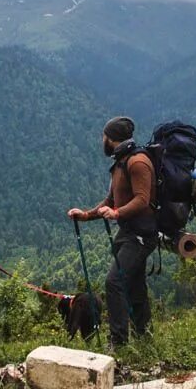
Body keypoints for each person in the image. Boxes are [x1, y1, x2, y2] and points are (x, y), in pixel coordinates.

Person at [67, 116, 155, 348]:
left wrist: (117, 214)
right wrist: (86, 215)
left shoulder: (137, 162)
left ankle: (118, 340)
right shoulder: (120, 163)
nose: (102, 140)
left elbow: (143, 200)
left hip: (141, 235)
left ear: (111, 138)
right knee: (134, 285)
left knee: (114, 282)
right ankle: (144, 335)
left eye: (104, 136)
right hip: (128, 232)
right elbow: (110, 200)